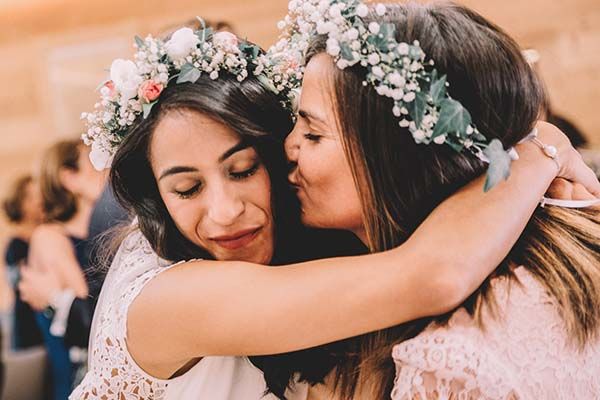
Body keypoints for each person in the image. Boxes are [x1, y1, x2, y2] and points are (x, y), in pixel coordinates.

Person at [69, 21, 600, 400]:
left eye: (243, 169)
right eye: (186, 189)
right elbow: (433, 272)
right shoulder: (168, 299)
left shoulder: (323, 250)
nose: (225, 211)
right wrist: (532, 151)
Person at [277, 1, 600, 398]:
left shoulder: (453, 361)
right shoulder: (568, 246)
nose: (288, 145)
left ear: (399, 159)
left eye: (312, 134)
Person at [26, 139, 105, 400]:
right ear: (69, 178)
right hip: (79, 379)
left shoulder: (101, 232)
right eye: (93, 162)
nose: (104, 169)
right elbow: (86, 306)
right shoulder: (48, 236)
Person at [2, 174, 45, 350]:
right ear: (21, 204)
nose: (39, 200)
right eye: (32, 196)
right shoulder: (16, 247)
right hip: (29, 327)